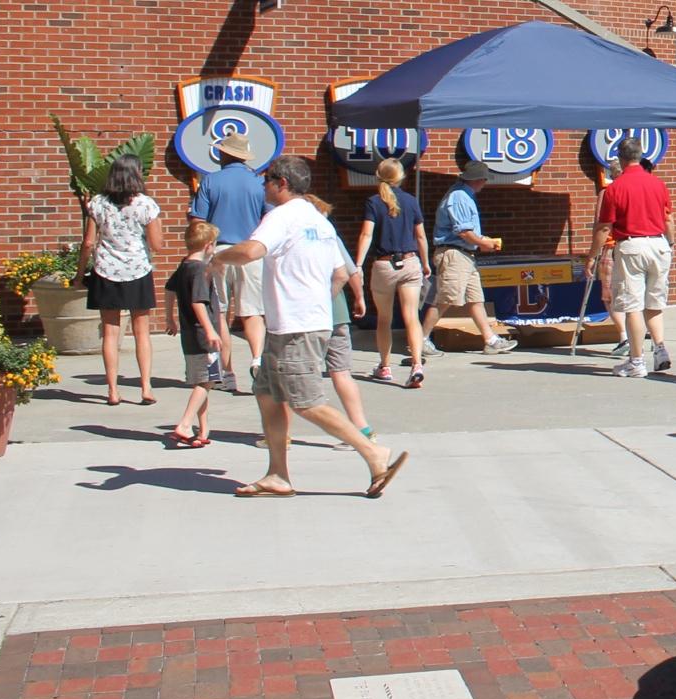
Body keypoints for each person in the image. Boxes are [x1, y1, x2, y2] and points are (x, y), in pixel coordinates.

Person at [212, 156, 406, 499]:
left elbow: (252, 251)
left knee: (306, 402)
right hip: (298, 323)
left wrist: (217, 257)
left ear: (281, 184)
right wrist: (315, 303)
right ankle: (277, 474)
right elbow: (340, 273)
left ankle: (373, 453)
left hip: (294, 328)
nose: (263, 186)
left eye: (267, 180)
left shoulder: (281, 216)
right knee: (267, 395)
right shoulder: (318, 221)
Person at [79, 154, 164, 406]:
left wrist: (78, 273)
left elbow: (88, 243)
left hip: (106, 270)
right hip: (138, 270)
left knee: (110, 332)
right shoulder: (146, 205)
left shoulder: (98, 203)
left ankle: (113, 391)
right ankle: (146, 387)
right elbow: (157, 245)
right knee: (142, 332)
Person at [592, 137, 675, 378]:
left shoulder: (615, 187)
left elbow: (605, 227)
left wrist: (592, 256)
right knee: (655, 302)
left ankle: (636, 361)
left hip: (631, 245)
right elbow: (668, 218)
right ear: (640, 155)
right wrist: (671, 243)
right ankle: (660, 348)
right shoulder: (658, 184)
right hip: (659, 243)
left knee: (633, 306)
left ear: (621, 157)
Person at [303, 194, 377, 452]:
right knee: (341, 371)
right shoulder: (330, 235)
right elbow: (349, 271)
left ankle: (280, 433)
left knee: (296, 375)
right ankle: (361, 428)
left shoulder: (305, 236)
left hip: (310, 316)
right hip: (337, 314)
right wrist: (359, 297)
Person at [191, 131, 267, 384]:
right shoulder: (259, 183)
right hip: (251, 251)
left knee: (220, 311)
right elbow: (269, 219)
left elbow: (198, 220)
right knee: (253, 311)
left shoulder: (211, 181)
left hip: (219, 251)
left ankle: (228, 373)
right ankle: (257, 359)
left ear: (224, 153)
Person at [422, 161, 517, 355]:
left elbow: (467, 232)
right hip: (455, 254)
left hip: (464, 255)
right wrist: (484, 243)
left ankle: (490, 340)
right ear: (478, 179)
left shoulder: (463, 194)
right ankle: (421, 339)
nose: (485, 183)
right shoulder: (460, 197)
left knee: (476, 299)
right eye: (484, 179)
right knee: (445, 299)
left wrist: (482, 241)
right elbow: (463, 231)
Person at [352, 158, 432, 388]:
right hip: (410, 262)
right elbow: (420, 237)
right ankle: (417, 364)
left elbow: (366, 235)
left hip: (385, 265)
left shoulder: (373, 202)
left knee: (384, 319)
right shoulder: (411, 201)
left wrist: (358, 264)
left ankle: (385, 366)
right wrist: (425, 262)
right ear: (401, 176)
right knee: (411, 317)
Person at [164, 221, 223, 448]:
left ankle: (203, 429)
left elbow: (169, 289)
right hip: (202, 335)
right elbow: (199, 302)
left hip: (189, 335)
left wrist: (169, 318)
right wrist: (210, 330)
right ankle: (186, 424)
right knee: (206, 382)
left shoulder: (184, 265)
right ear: (209, 246)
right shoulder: (200, 269)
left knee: (202, 382)